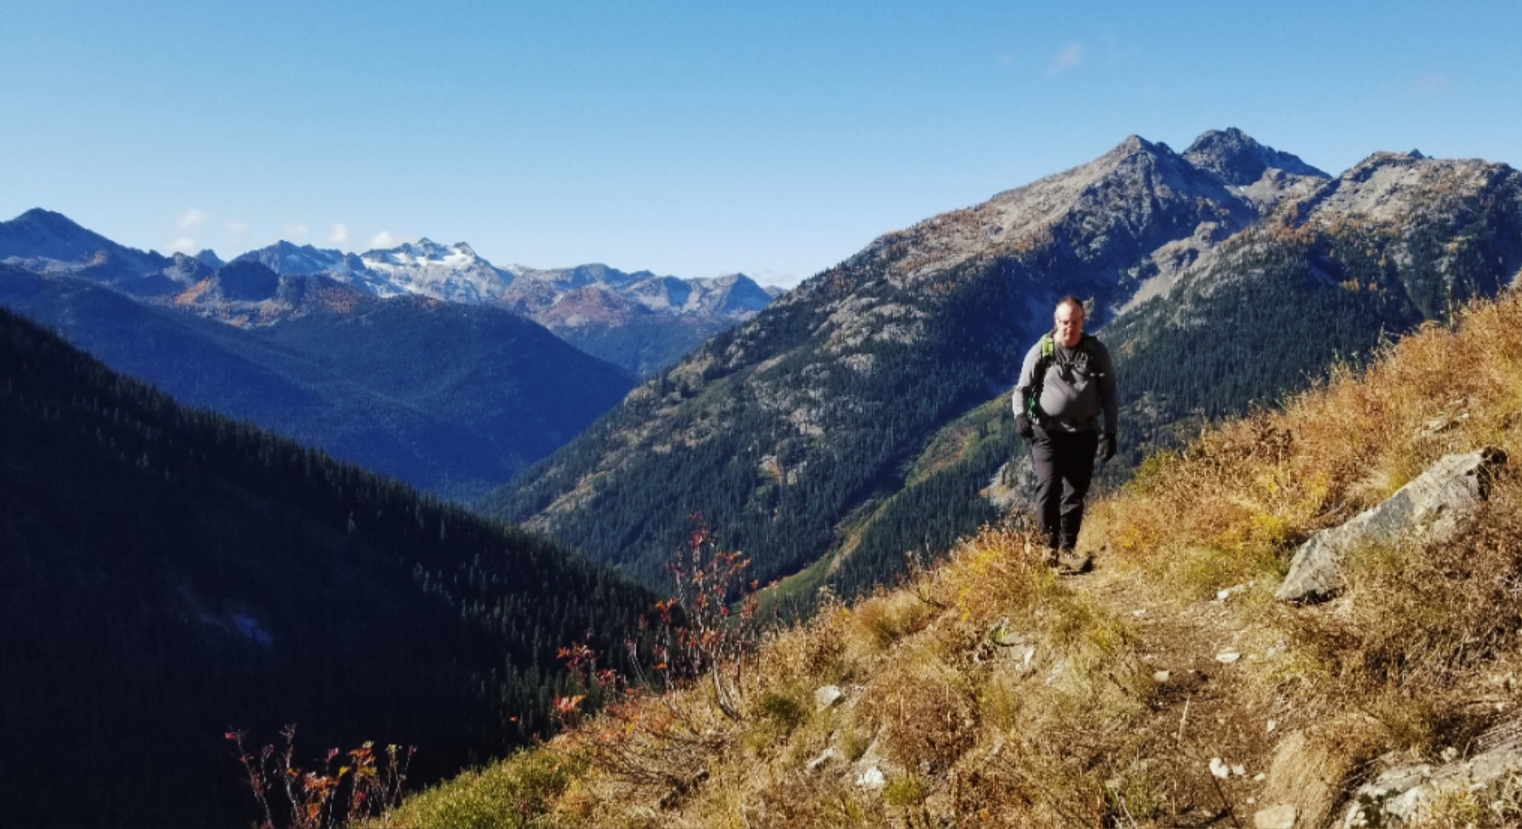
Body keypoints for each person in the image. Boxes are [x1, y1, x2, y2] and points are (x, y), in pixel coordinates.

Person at [1013, 296, 1117, 571]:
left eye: (1074, 322)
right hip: (1047, 432)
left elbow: (1109, 394)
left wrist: (1111, 433)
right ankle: (1048, 549)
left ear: (1083, 320)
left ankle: (1067, 549)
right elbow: (1021, 389)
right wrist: (1020, 415)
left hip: (1084, 432)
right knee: (1048, 486)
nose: (1068, 327)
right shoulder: (1042, 350)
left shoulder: (1096, 352)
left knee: (1075, 493)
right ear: (1055, 321)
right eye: (1063, 322)